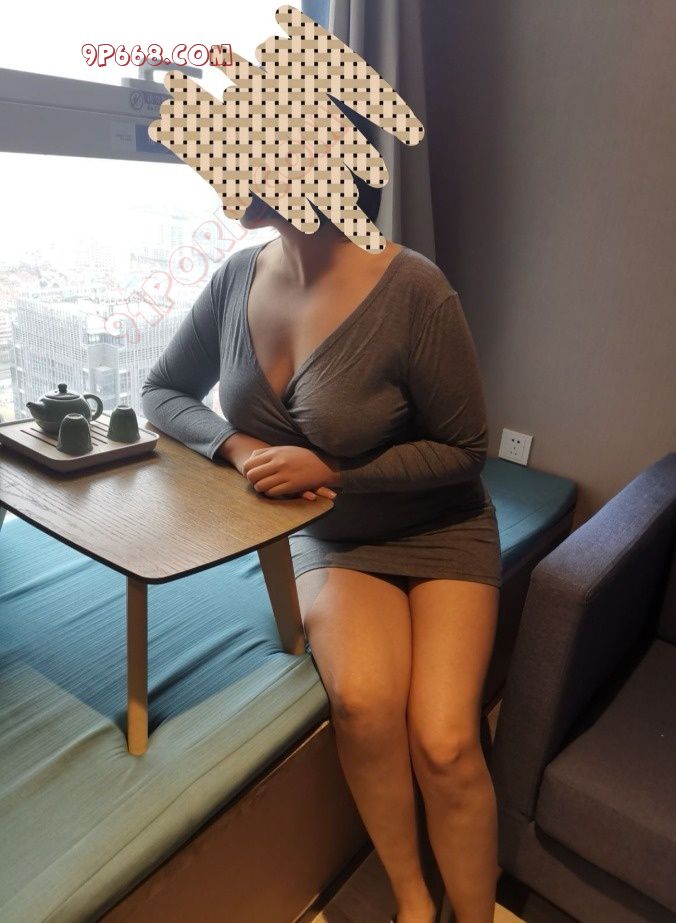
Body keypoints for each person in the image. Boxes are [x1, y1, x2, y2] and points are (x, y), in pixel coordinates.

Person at [141, 176, 502, 923]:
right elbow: (163, 391)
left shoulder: (415, 288)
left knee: (444, 742)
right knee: (364, 704)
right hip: (332, 537)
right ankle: (412, 902)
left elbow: (467, 450)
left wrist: (335, 471)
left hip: (440, 527)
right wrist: (239, 447)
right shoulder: (238, 276)